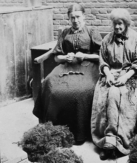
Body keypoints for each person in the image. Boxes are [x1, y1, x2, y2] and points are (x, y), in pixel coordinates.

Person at [33, 3, 102, 144]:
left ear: (84, 17)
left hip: (88, 67)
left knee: (80, 91)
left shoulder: (92, 32)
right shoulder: (64, 33)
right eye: (72, 18)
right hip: (66, 66)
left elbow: (101, 56)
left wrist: (84, 56)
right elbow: (57, 57)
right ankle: (52, 128)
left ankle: (79, 132)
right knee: (49, 83)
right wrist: (65, 57)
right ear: (69, 19)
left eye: (78, 17)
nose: (75, 21)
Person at [91, 8, 137, 160]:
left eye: (120, 24)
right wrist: (108, 73)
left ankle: (119, 140)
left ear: (126, 24)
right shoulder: (107, 39)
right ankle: (107, 141)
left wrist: (126, 76)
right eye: (115, 24)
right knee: (106, 97)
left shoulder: (136, 38)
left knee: (118, 96)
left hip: (131, 78)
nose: (117, 27)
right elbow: (102, 59)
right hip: (109, 77)